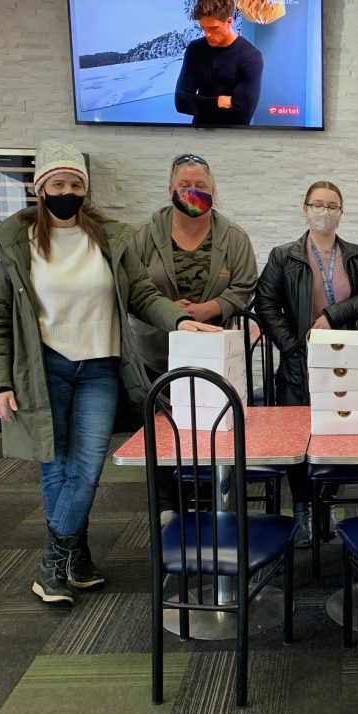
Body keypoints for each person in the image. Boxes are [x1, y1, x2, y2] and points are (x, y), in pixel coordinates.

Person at [0, 140, 219, 605]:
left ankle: (53, 558)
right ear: (40, 187)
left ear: (84, 190)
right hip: (43, 366)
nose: (66, 191)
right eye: (57, 183)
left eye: (74, 184)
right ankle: (77, 557)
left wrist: (180, 319)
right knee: (57, 466)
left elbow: (143, 295)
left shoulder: (109, 237)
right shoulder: (14, 240)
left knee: (86, 468)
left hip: (99, 367)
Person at [255, 180, 358, 543]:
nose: (324, 212)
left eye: (332, 206)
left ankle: (327, 500)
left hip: (348, 360)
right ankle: (303, 508)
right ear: (304, 209)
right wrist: (293, 345)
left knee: (339, 429)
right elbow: (265, 304)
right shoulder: (284, 256)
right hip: (299, 362)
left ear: (341, 213)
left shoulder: (357, 255)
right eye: (318, 204)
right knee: (299, 438)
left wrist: (331, 314)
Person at [129, 152, 258, 516]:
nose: (192, 192)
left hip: (211, 354)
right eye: (185, 186)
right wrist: (173, 314)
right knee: (163, 431)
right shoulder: (141, 236)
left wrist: (206, 310)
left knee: (210, 425)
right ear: (170, 189)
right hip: (155, 352)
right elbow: (133, 289)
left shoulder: (234, 237)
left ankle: (212, 501)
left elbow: (245, 286)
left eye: (200, 186)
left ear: (213, 190)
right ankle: (169, 506)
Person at [175, 0, 264, 126]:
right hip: (197, 135)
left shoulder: (250, 56)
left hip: (234, 139)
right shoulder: (195, 49)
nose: (207, 34)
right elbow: (180, 102)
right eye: (203, 27)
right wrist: (218, 102)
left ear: (229, 22)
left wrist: (197, 104)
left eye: (213, 28)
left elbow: (241, 116)